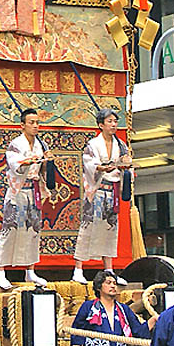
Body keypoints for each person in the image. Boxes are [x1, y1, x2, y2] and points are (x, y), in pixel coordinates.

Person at [72, 108, 132, 285]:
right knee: (88, 227)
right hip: (98, 188)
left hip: (112, 189)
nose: (113, 124)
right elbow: (89, 164)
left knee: (110, 229)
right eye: (110, 121)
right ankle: (78, 268)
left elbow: (126, 164)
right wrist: (100, 168)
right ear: (101, 125)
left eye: (115, 121)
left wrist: (126, 166)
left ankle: (109, 269)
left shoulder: (121, 145)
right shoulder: (93, 144)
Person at [0, 108, 53, 290]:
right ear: (23, 125)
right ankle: (0, 271)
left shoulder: (41, 145)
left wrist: (46, 160)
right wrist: (30, 160)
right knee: (10, 229)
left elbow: (43, 169)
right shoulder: (16, 145)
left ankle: (30, 269)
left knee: (33, 229)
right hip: (18, 190)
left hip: (33, 189)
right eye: (31, 122)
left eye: (37, 123)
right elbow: (15, 165)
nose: (35, 126)